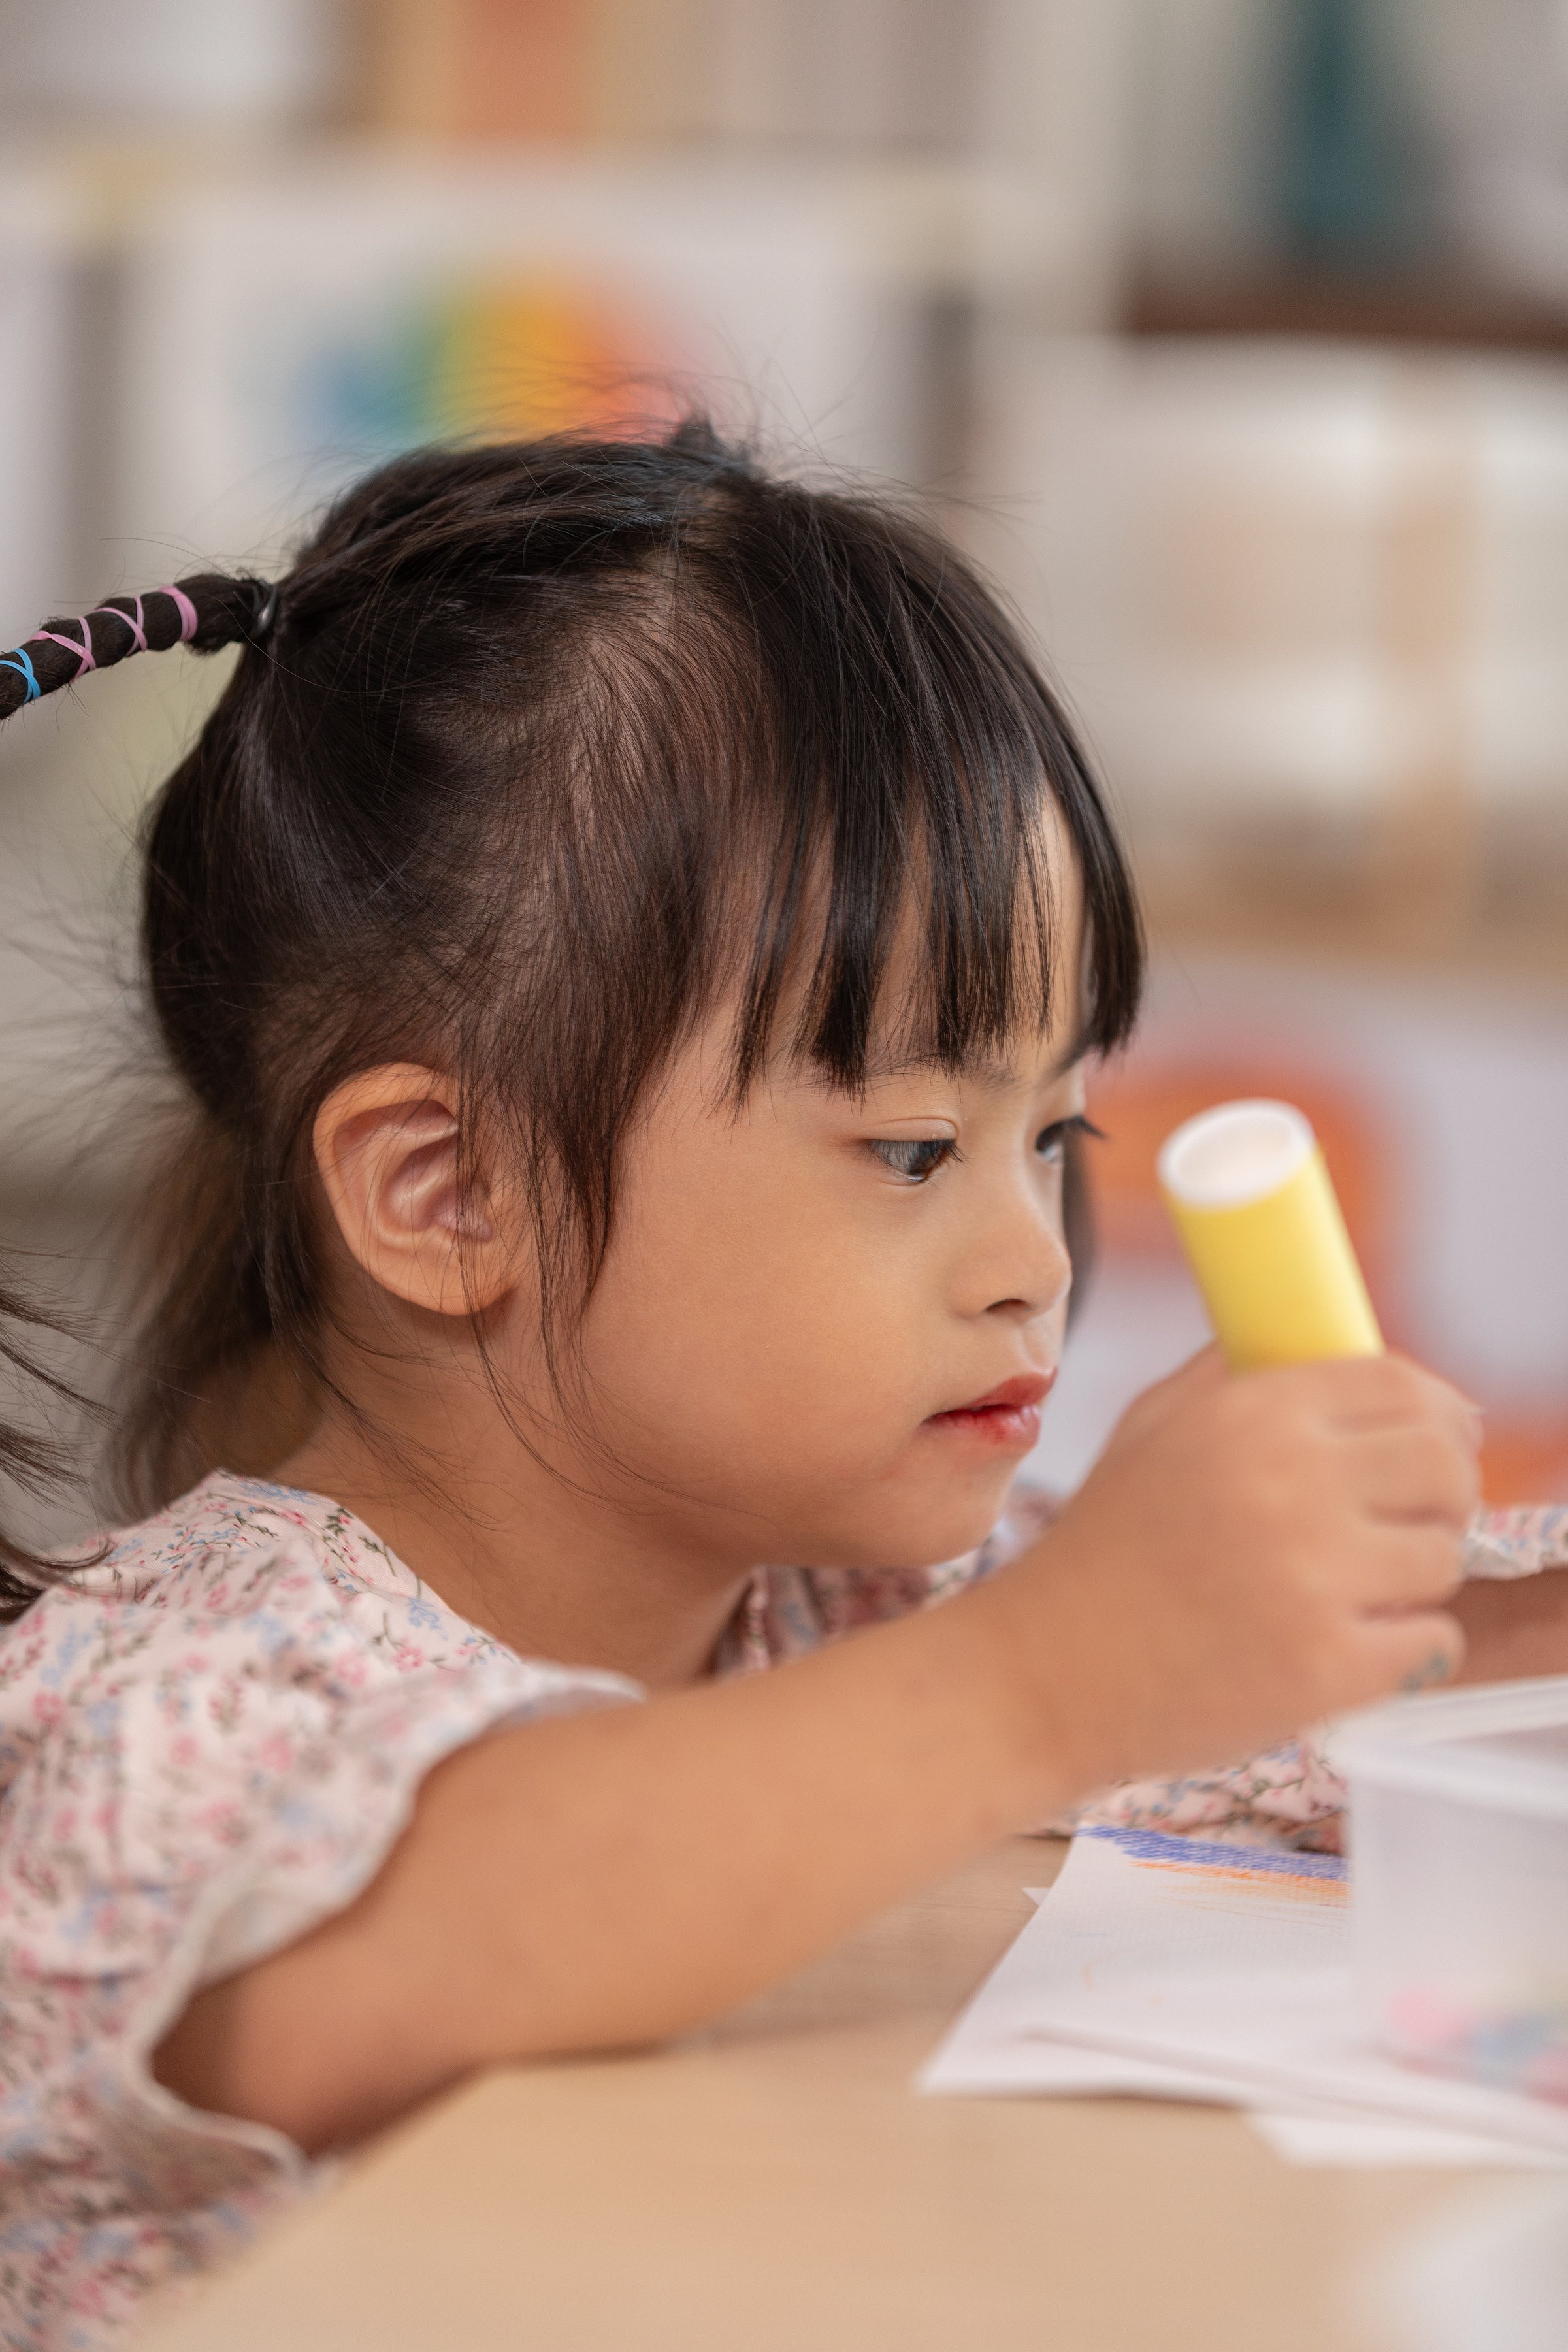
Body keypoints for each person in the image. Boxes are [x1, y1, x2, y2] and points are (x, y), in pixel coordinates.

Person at [0, 423, 1560, 2346]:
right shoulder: (148, 1707)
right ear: (449, 1192)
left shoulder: (837, 1615)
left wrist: (1294, 1592)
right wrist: (1065, 1665)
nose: (1036, 1261)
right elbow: (435, 1918)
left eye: (1052, 1134)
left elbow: (1339, 1680)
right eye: (915, 1150)